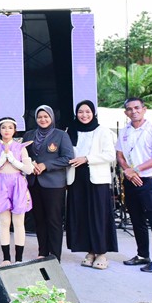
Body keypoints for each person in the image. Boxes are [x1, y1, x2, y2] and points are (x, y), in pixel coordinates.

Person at [116, 97, 152, 273]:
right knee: (137, 220)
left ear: (144, 109)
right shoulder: (124, 131)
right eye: (130, 109)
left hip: (148, 181)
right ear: (126, 113)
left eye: (137, 108)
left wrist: (136, 170)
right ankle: (142, 255)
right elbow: (120, 156)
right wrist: (128, 172)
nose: (134, 111)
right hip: (131, 180)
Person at [66, 100, 119, 270]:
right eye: (80, 112)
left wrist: (87, 158)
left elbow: (110, 155)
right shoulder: (70, 130)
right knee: (82, 215)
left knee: (98, 215)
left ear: (93, 113)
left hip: (96, 178)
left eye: (87, 111)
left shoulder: (103, 131)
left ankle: (101, 252)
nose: (84, 115)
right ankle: (89, 251)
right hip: (77, 178)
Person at [23, 105, 74, 261]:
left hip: (54, 184)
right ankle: (42, 252)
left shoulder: (61, 135)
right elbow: (23, 156)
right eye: (40, 117)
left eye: (46, 116)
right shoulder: (29, 135)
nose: (43, 119)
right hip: (34, 182)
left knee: (54, 220)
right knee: (39, 219)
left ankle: (54, 255)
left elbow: (68, 158)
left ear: (52, 118)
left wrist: (46, 165)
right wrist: (31, 164)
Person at [0, 117, 34, 265]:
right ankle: (6, 258)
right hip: (0, 183)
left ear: (14, 130)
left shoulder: (21, 147)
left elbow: (28, 169)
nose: (7, 130)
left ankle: (19, 258)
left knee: (18, 222)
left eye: (10, 127)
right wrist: (2, 159)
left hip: (17, 183)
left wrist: (13, 160)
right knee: (4, 222)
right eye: (3, 127)